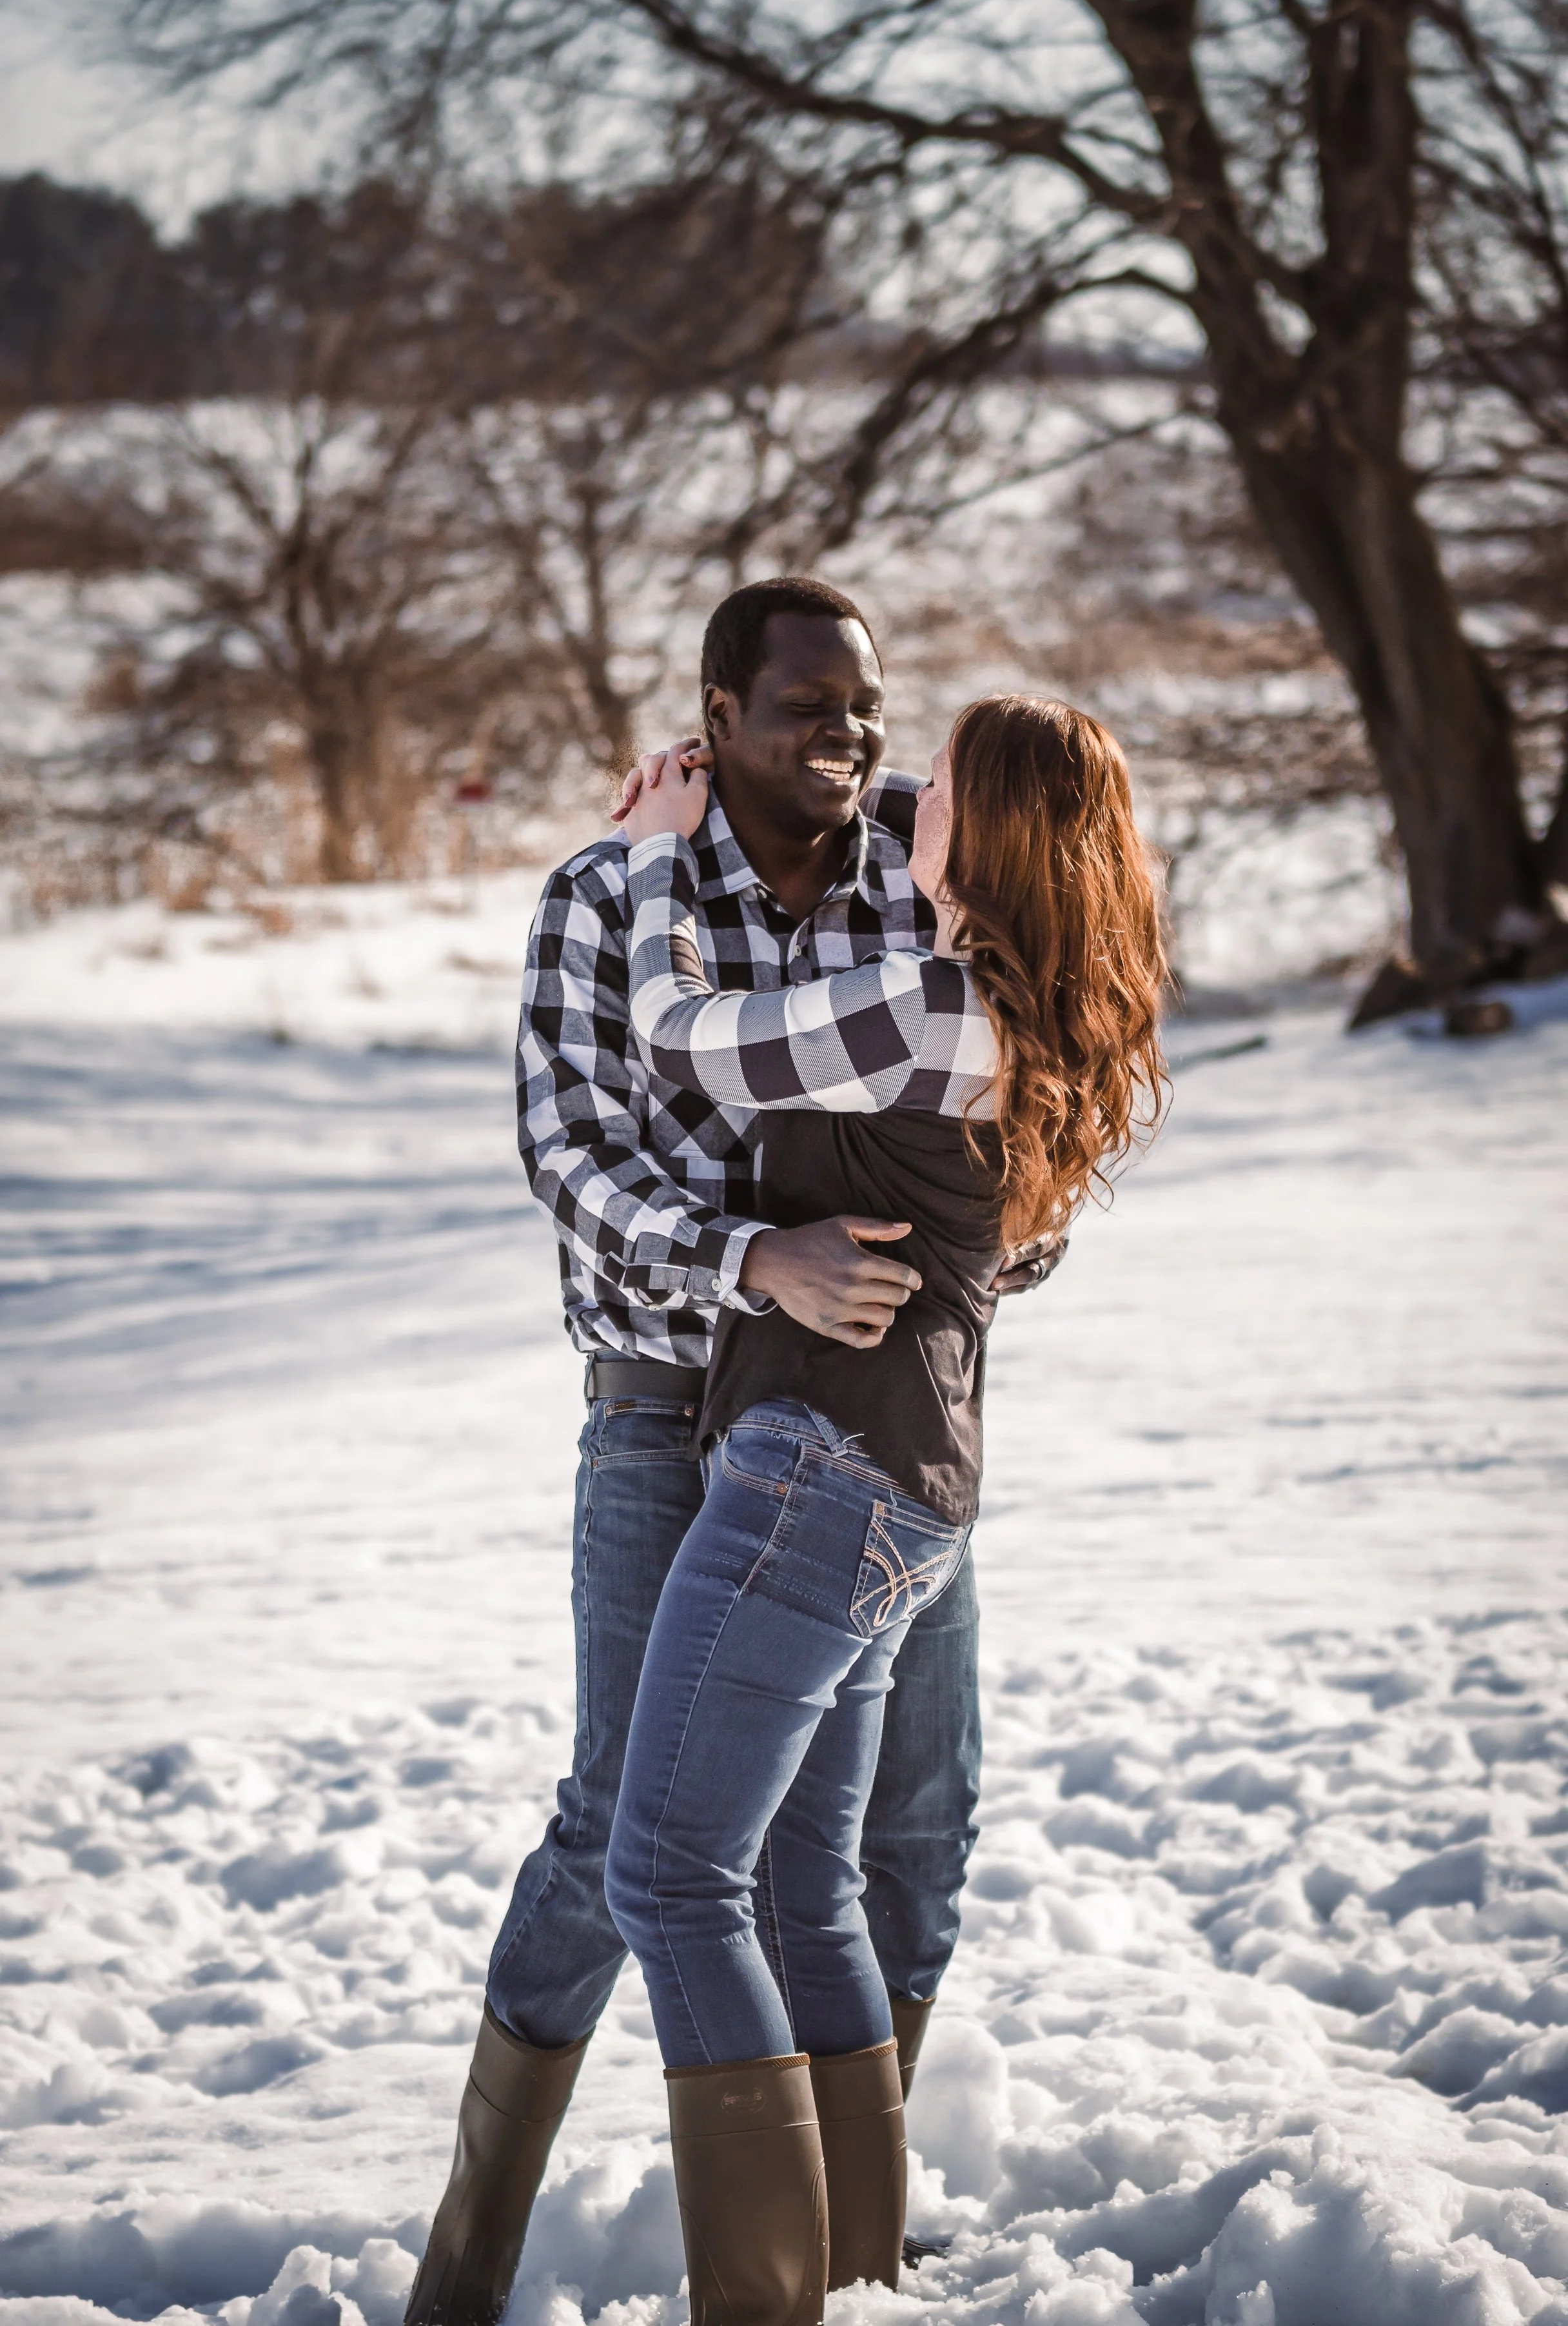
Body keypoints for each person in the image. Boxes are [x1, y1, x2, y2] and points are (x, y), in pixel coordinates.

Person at [405, 584, 1058, 2326]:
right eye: (804, 708)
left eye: (864, 707)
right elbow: (572, 1150)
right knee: (628, 1833)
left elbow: (1031, 1135)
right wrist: (749, 1257)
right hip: (662, 1410)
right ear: (715, 708)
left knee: (908, 1826)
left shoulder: (931, 861)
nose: (846, 742)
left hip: (865, 1426)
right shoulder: (610, 892)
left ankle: (850, 2253)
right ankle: (472, 2247)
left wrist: (965, 1244)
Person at [602, 693, 1167, 2325]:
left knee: (669, 1878)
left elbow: (683, 1036)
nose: (902, 801)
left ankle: (765, 2305)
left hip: (819, 1478)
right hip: (905, 1488)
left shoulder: (927, 1011)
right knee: (804, 1887)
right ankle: (848, 2278)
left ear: (978, 836)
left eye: (940, 797)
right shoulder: (1015, 1004)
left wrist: (654, 861)